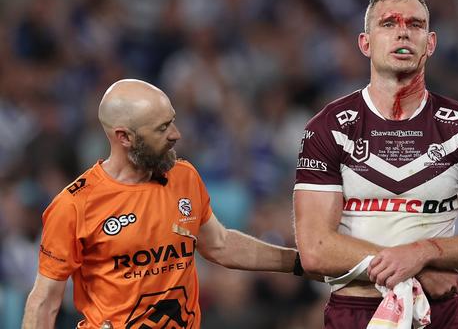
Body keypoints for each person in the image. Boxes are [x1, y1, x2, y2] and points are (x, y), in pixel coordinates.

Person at [293, 0, 458, 328]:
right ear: (365, 43)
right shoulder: (329, 128)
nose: (403, 31)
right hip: (356, 312)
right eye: (388, 23)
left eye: (415, 25)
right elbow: (314, 249)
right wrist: (413, 269)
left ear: (430, 43)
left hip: (436, 315)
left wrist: (423, 253)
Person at [23, 79, 302, 328]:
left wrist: (300, 262)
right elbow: (45, 301)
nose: (176, 134)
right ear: (124, 137)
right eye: (162, 128)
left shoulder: (185, 177)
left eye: (172, 121)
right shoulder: (74, 204)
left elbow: (220, 244)